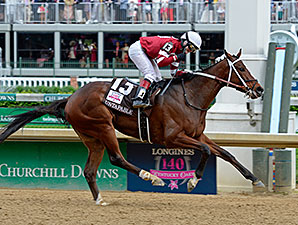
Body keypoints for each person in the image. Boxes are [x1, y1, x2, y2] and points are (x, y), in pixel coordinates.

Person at [128, 31, 202, 108]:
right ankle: (138, 99)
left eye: (193, 50)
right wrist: (176, 57)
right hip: (138, 49)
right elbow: (160, 62)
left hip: (147, 53)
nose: (190, 51)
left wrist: (187, 73)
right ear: (185, 42)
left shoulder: (179, 51)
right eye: (191, 47)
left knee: (158, 79)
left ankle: (150, 100)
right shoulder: (171, 44)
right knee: (150, 75)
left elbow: (174, 73)